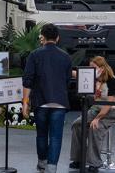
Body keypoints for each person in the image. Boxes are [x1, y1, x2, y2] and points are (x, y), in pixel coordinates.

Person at [22, 23, 72, 173]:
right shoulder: (65, 57)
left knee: (41, 135)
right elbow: (67, 80)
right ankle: (52, 168)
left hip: (41, 102)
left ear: (42, 37)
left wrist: (25, 102)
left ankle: (42, 164)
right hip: (60, 102)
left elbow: (28, 80)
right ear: (57, 38)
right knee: (56, 137)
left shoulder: (35, 55)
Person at [69, 56, 115, 173]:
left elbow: (109, 104)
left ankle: (94, 163)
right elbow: (76, 74)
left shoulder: (111, 81)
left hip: (112, 111)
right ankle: (78, 159)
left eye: (93, 68)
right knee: (77, 124)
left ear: (102, 68)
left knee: (95, 128)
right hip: (97, 109)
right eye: (90, 68)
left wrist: (98, 118)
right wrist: (64, 68)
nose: (91, 70)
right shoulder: (93, 78)